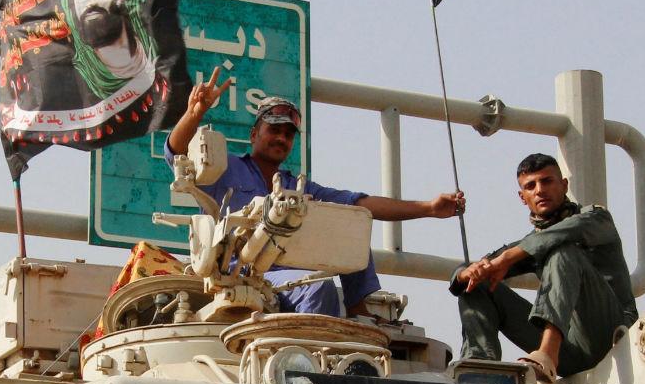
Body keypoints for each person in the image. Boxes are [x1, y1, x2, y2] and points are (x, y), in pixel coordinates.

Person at [166, 68, 465, 315]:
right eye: (274, 130)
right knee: (317, 287)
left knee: (351, 225)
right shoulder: (226, 170)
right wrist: (196, 112)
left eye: (288, 134)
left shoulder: (300, 188)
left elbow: (361, 204)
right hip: (243, 275)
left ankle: (360, 316)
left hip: (291, 278)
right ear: (254, 134)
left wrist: (427, 208)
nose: (281, 138)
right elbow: (175, 153)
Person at [452, 153, 637, 380]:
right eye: (531, 186)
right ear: (523, 197)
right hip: (571, 351)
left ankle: (547, 354)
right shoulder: (529, 244)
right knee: (475, 284)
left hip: (611, 336)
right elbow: (475, 268)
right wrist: (465, 274)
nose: (539, 190)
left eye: (547, 181)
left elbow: (568, 231)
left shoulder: (597, 218)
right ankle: (480, 368)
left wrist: (509, 256)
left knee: (562, 252)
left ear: (564, 185)